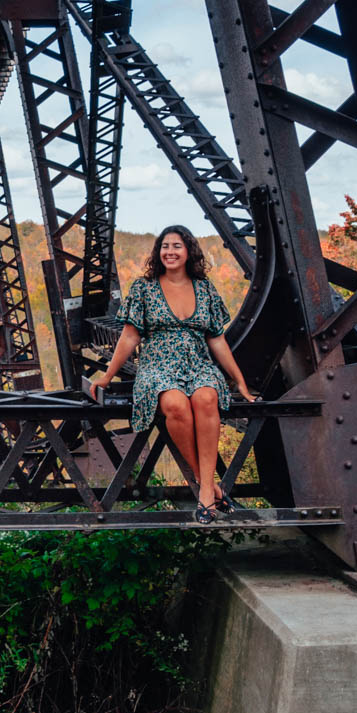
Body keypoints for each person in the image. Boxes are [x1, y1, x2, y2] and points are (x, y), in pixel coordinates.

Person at [94, 224, 256, 523]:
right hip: (158, 364)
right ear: (159, 252)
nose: (170, 251)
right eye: (165, 246)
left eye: (176, 246)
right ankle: (208, 486)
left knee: (207, 399)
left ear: (188, 251)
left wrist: (241, 381)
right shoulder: (145, 288)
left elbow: (217, 340)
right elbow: (129, 337)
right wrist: (106, 376)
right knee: (175, 406)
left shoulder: (204, 288)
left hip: (198, 363)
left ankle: (205, 492)